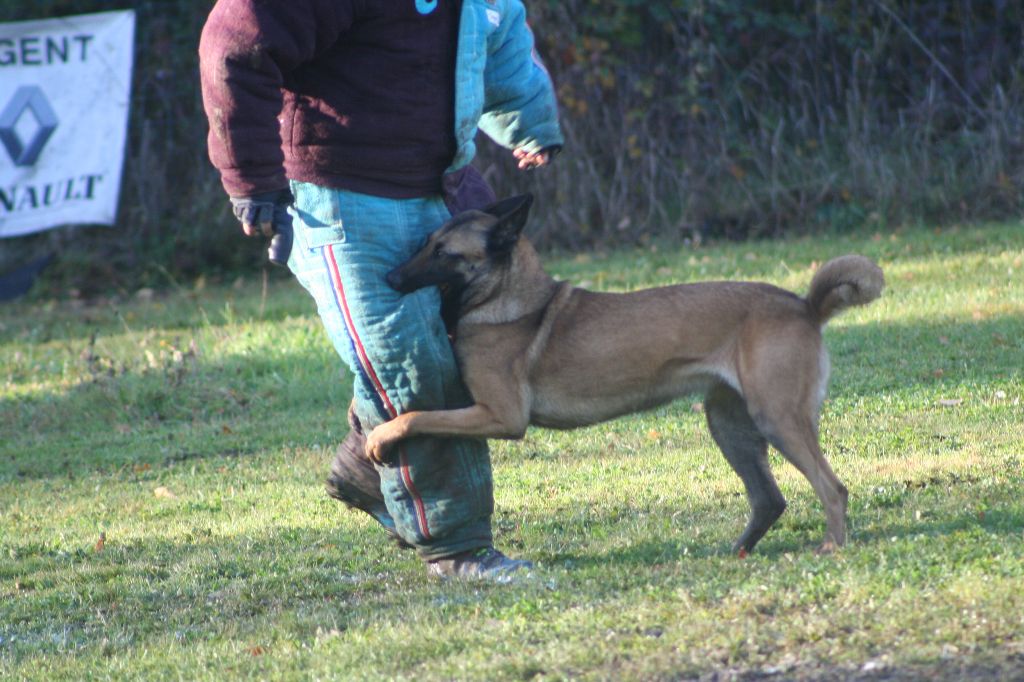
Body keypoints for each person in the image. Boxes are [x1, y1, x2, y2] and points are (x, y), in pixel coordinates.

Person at [199, 0, 563, 579]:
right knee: (410, 366)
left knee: (460, 348)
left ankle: (367, 474)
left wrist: (531, 122)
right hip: (343, 194)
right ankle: (456, 548)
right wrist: (250, 177)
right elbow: (235, 46)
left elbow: (500, 40)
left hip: (443, 188)